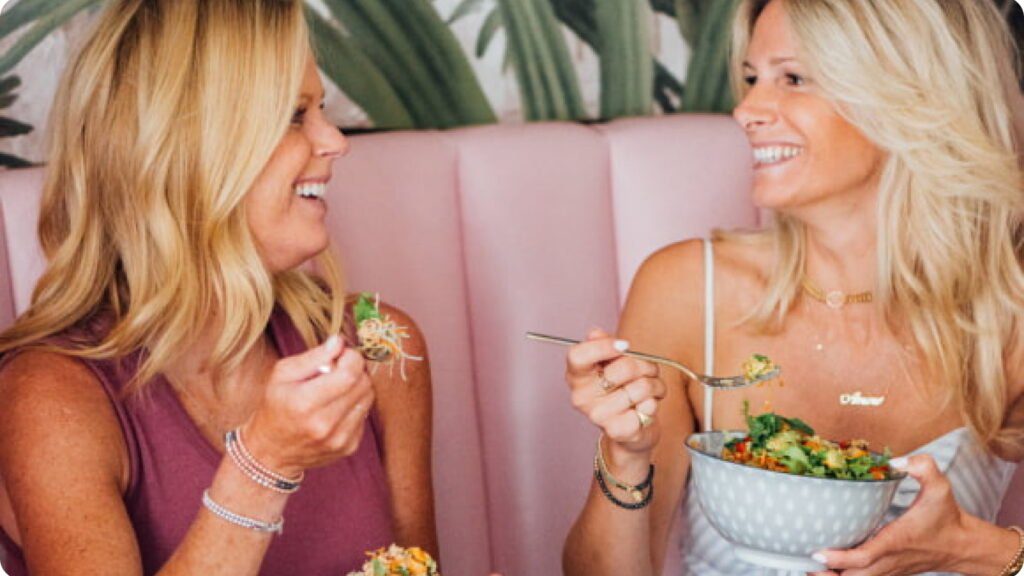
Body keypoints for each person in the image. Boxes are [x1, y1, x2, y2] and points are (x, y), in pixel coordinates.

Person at [562, 0, 1024, 574]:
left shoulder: (1010, 311)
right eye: (753, 78)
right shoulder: (687, 290)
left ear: (906, 94)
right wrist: (626, 455)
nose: (746, 109)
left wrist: (975, 550)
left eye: (794, 78)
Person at [0, 1, 438, 574]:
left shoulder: (382, 347)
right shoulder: (51, 397)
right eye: (293, 115)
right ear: (188, 152)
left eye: (320, 109)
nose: (335, 141)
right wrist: (263, 466)